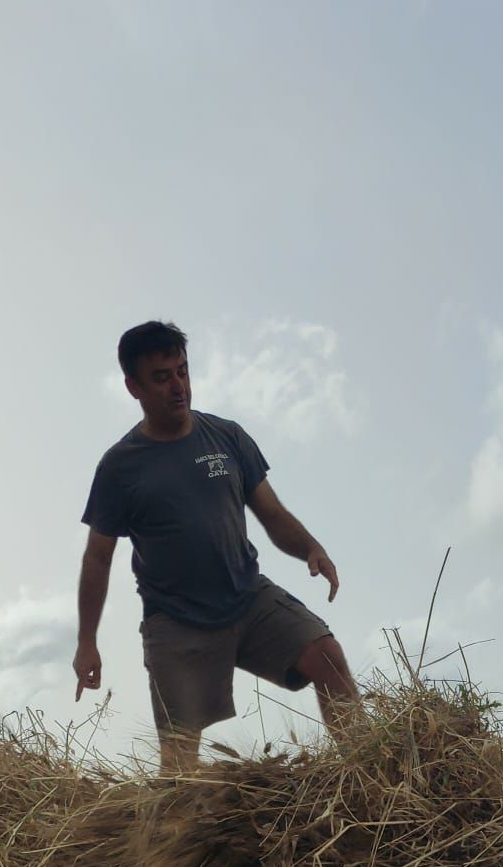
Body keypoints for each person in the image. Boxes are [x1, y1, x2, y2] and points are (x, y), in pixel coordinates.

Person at [73, 319, 357, 771]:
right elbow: (97, 557)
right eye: (161, 378)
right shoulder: (119, 467)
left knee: (328, 655)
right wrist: (87, 641)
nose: (178, 387)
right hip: (177, 621)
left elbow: (272, 514)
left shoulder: (227, 437)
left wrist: (310, 548)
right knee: (181, 772)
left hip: (248, 598)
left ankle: (368, 777)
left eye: (182, 371)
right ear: (133, 387)